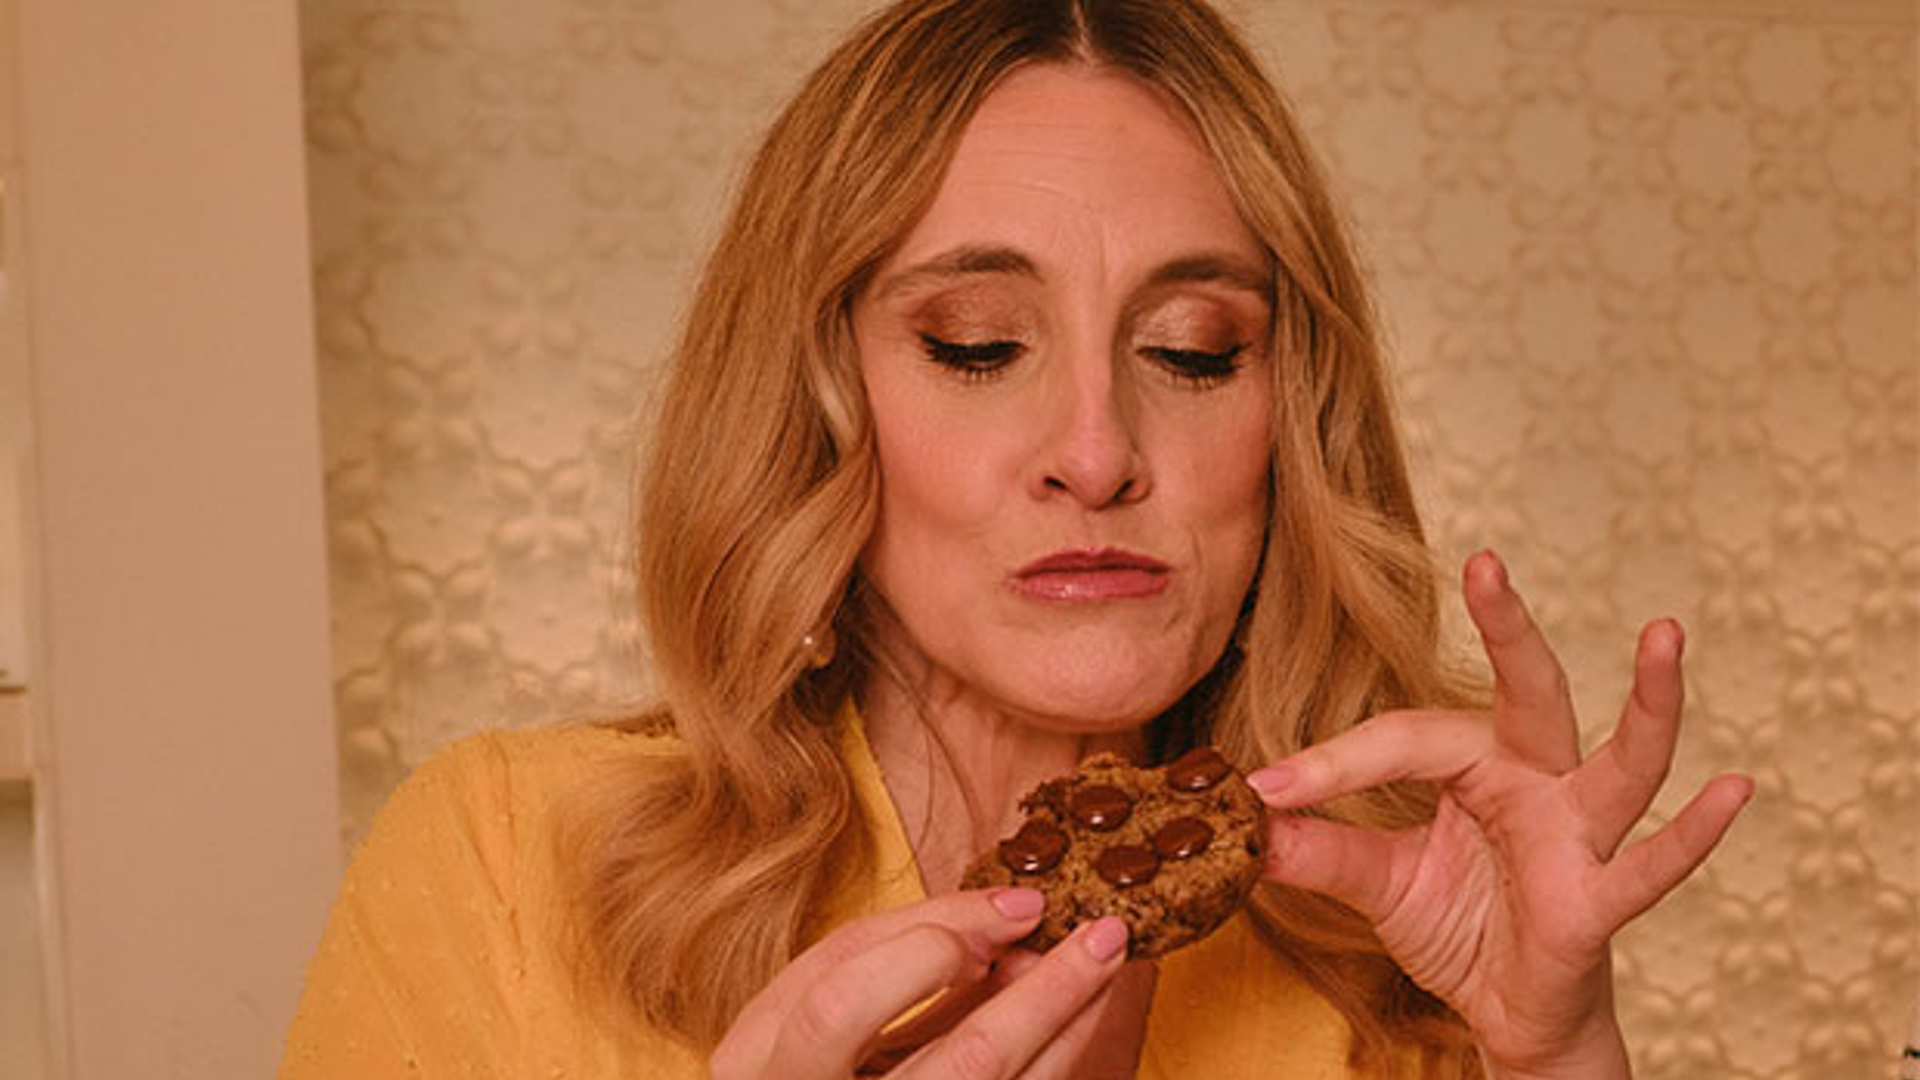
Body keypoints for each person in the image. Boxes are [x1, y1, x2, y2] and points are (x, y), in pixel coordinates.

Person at [279, 1, 1752, 1077]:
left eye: (1192, 351)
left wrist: (1556, 1059)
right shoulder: (505, 859)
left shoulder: (1394, 937)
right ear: (817, 400)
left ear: (1288, 425)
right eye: (979, 345)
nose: (1098, 454)